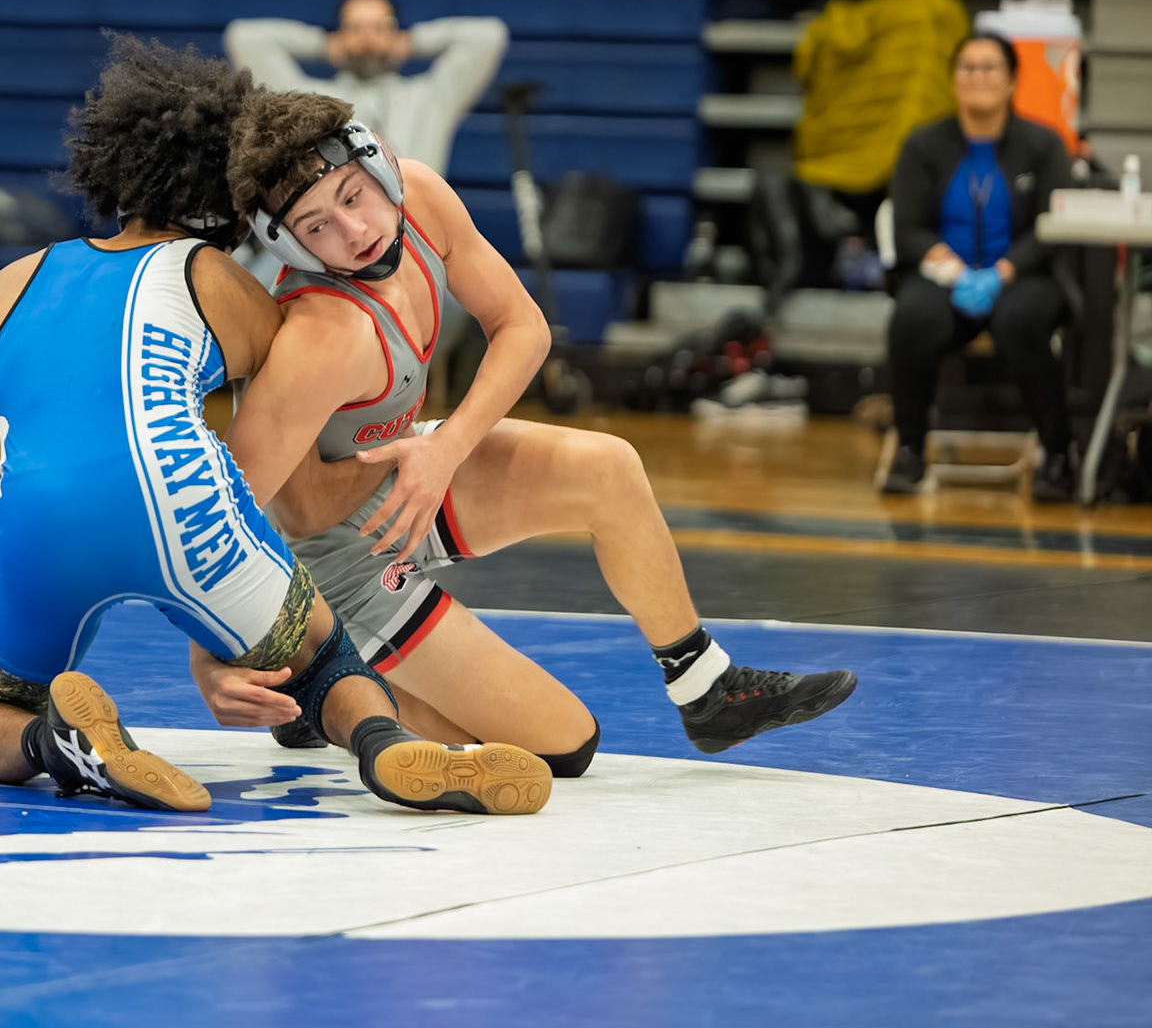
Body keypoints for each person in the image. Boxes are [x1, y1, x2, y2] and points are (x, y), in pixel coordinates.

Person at [0, 37, 552, 818]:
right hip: (185, 512)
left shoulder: (3, 287)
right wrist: (223, 641)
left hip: (39, 531)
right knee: (325, 660)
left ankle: (55, 743)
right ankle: (382, 743)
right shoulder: (219, 279)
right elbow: (291, 408)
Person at [196, 83, 857, 763]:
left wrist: (447, 448)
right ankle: (318, 677)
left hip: (401, 476)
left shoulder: (420, 201)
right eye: (316, 227)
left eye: (352, 197)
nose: (355, 232)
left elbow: (523, 327)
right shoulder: (321, 339)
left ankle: (705, 688)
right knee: (564, 744)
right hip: (333, 563)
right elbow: (225, 515)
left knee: (609, 469)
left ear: (379, 164)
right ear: (289, 245)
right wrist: (212, 659)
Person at [880, 33, 1078, 500]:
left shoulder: (1044, 145)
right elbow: (906, 227)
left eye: (990, 67)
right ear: (954, 79)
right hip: (947, 277)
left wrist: (1005, 269)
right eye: (967, 67)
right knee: (911, 318)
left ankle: (1057, 454)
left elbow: (1052, 226)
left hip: (1022, 276)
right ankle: (909, 449)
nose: (977, 77)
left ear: (1012, 81)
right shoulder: (923, 144)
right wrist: (946, 264)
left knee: (1020, 320)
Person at [224, 0, 507, 179]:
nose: (368, 38)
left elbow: (489, 36)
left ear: (397, 33)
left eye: (381, 26)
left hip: (415, 231)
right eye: (355, 28)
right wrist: (323, 45)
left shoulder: (430, 97)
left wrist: (413, 43)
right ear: (340, 34)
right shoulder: (308, 100)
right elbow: (244, 38)